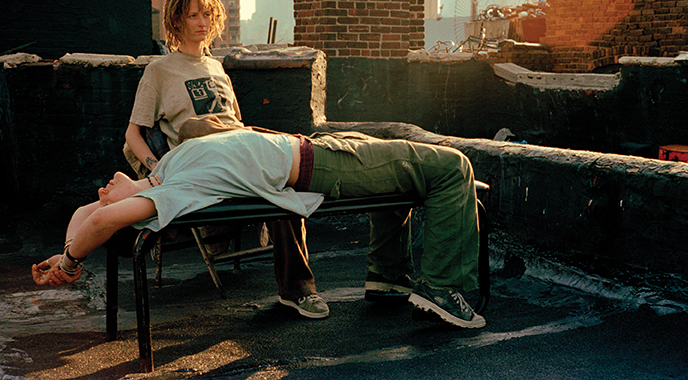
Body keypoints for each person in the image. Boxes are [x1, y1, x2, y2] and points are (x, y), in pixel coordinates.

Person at [33, 124, 485, 329]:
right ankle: (444, 290)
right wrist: (72, 263)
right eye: (103, 195)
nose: (102, 189)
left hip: (319, 147)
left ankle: (387, 278)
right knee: (452, 166)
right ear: (140, 208)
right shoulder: (172, 192)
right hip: (322, 166)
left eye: (100, 192)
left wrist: (65, 249)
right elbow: (103, 219)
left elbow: (87, 219)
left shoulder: (167, 166)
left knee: (412, 163)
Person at [122, 0, 326, 319]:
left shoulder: (217, 67)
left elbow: (235, 125)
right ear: (176, 21)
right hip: (199, 162)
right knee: (195, 128)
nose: (202, 22)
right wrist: (157, 170)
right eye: (192, 16)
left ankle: (298, 292)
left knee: (284, 188)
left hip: (237, 152)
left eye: (207, 14)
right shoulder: (159, 71)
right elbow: (133, 134)